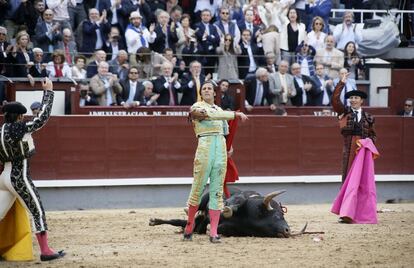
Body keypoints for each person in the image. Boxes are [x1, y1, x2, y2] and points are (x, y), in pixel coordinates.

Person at [0, 78, 65, 261]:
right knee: (37, 211)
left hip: (4, 177)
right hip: (19, 177)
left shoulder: (1, 131)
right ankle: (45, 251)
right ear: (19, 116)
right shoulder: (20, 128)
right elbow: (42, 118)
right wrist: (49, 92)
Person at [184, 81, 248, 243]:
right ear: (201, 93)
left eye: (209, 89)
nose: (206, 90)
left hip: (219, 149)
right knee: (198, 187)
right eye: (204, 88)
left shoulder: (220, 111)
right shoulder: (196, 107)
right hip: (204, 147)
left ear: (214, 93)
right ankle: (189, 226)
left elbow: (226, 132)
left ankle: (213, 232)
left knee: (217, 190)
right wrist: (234, 114)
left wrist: (229, 147)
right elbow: (209, 115)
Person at [331, 73, 378, 224]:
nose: (352, 100)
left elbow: (373, 136)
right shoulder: (344, 112)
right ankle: (345, 213)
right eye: (351, 98)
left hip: (362, 154)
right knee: (347, 182)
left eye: (356, 98)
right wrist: (341, 84)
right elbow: (335, 101)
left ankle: (359, 212)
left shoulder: (368, 117)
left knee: (362, 182)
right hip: (349, 151)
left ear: (361, 101)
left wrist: (367, 145)